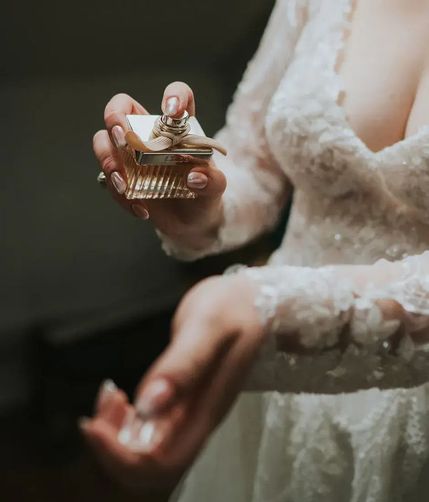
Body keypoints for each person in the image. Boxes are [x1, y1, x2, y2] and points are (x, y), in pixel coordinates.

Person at [82, 0, 429, 500]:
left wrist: (267, 308)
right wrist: (204, 201)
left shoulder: (256, 307)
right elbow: (255, 163)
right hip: (281, 402)